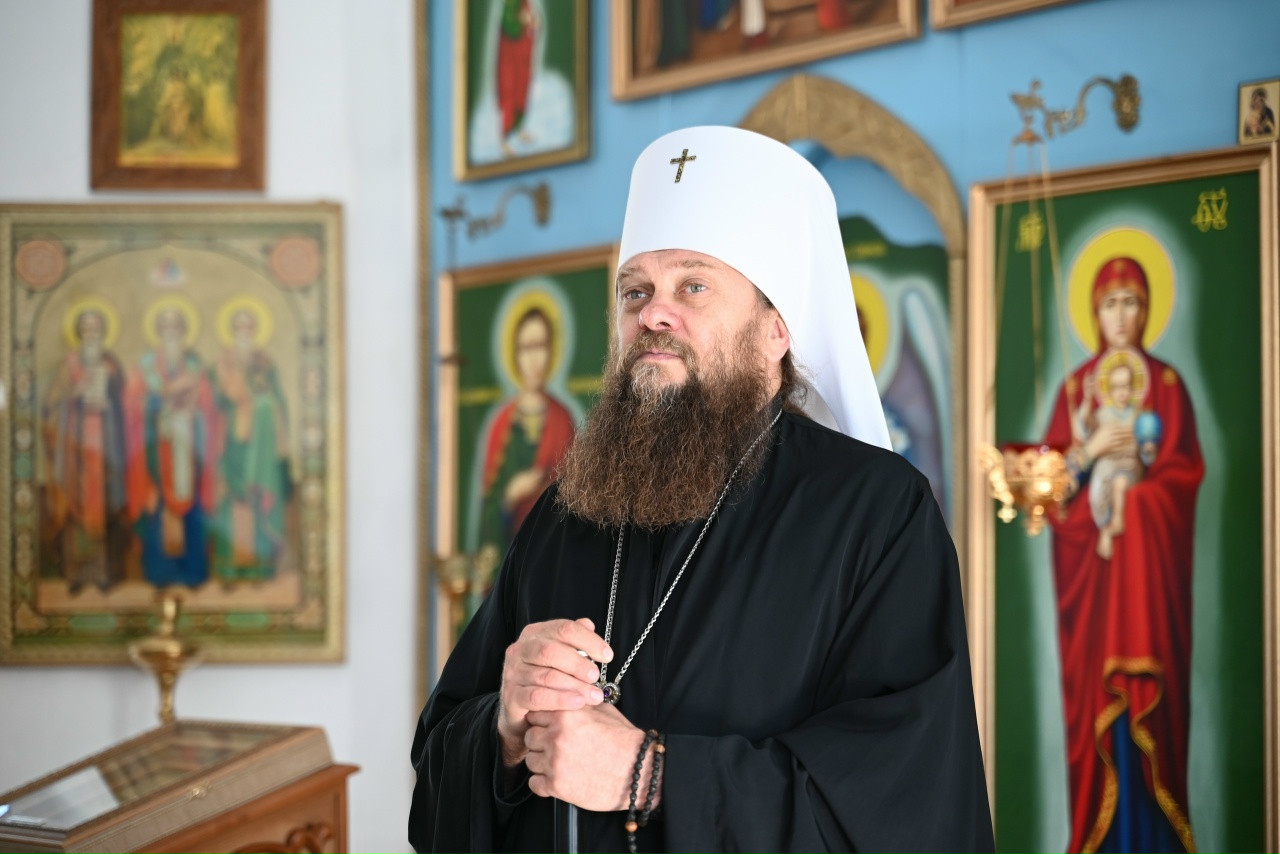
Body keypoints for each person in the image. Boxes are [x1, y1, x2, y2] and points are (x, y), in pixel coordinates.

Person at [410, 126, 993, 853]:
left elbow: (905, 798)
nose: (652, 314)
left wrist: (650, 776)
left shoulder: (877, 512)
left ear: (776, 331)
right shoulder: (568, 510)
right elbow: (436, 769)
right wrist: (503, 725)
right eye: (635, 291)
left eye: (692, 286)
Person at [1043, 256, 1203, 854]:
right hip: (1093, 588)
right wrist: (1086, 455)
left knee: (1151, 718)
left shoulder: (1167, 387)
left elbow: (1182, 480)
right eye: (1109, 303)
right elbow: (1053, 497)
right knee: (1096, 714)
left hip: (1149, 588)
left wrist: (1136, 498)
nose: (1120, 315)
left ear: (1147, 310)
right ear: (1094, 312)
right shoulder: (1075, 392)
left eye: (1131, 301)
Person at [125, 303, 218, 588]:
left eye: (176, 325)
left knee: (191, 510)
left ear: (184, 330)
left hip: (189, 450)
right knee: (158, 507)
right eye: (165, 325)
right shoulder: (144, 368)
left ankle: (192, 573)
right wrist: (160, 400)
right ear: (158, 330)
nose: (171, 330)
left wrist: (193, 411)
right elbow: (131, 406)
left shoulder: (196, 366)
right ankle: (160, 573)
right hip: (158, 450)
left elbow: (209, 407)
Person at [41, 306, 131, 593]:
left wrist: (110, 395)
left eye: (96, 328)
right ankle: (76, 574)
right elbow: (50, 406)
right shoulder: (67, 366)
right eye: (86, 328)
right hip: (74, 450)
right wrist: (73, 395)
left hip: (105, 448)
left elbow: (126, 406)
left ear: (103, 332)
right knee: (74, 508)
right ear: (79, 333)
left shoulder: (111, 364)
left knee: (104, 508)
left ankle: (104, 574)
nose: (91, 333)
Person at [475, 305, 575, 562]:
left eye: (540, 346)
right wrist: (510, 496)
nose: (533, 359)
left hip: (552, 555)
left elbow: (576, 499)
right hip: (511, 555)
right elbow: (488, 509)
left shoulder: (562, 419)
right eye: (526, 348)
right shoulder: (502, 424)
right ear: (515, 355)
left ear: (551, 351)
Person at [211, 303, 290, 585]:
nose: (244, 331)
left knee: (257, 500)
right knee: (232, 500)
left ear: (255, 330)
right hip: (232, 444)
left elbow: (278, 399)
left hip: (261, 445)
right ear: (232, 330)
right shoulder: (222, 365)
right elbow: (213, 403)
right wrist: (233, 400)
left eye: (248, 326)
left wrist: (266, 406)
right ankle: (230, 571)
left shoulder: (266, 363)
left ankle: (259, 569)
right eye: (239, 326)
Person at [1070, 351, 1149, 560]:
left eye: (1126, 387)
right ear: (1109, 391)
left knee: (1120, 484)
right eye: (1116, 388)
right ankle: (1105, 528)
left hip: (1128, 464)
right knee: (1098, 495)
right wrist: (1088, 398)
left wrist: (1147, 448)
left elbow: (1147, 443)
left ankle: (1117, 523)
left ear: (1133, 388)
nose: (1121, 393)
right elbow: (1086, 426)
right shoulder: (1103, 414)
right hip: (1105, 465)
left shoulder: (1138, 415)